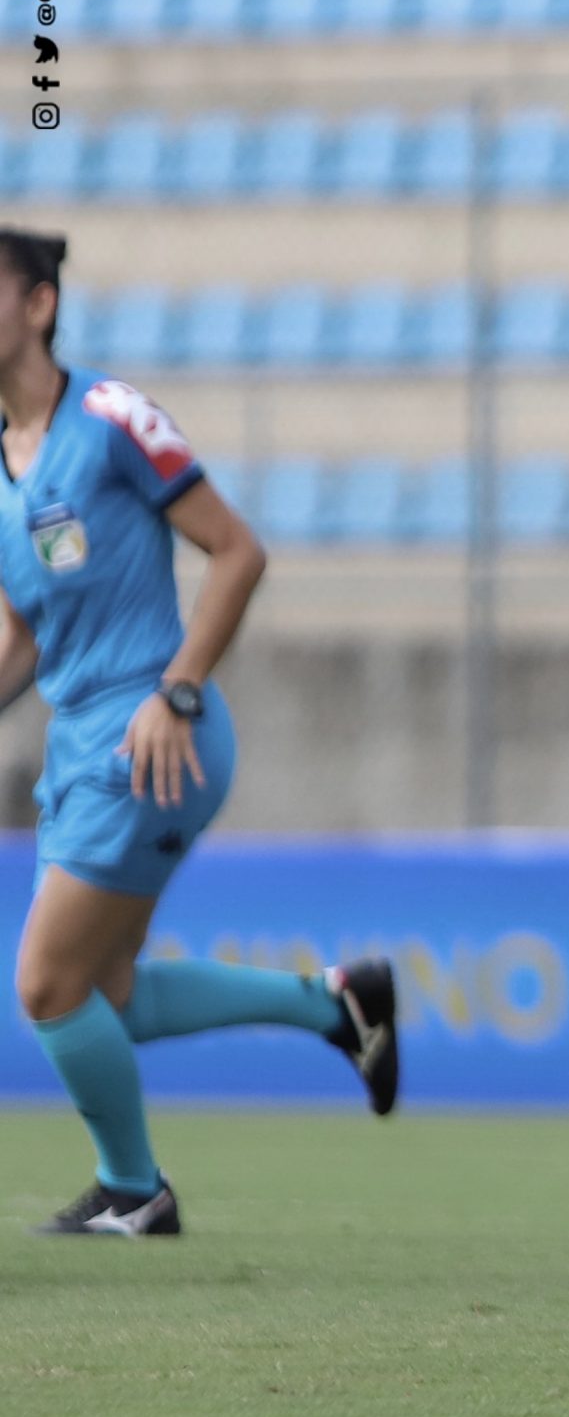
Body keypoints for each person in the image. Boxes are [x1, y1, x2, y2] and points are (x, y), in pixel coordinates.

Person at [2, 226, 398, 1237]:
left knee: (48, 983)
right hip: (81, 744)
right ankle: (335, 1001)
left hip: (154, 736)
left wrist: (176, 690)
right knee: (111, 993)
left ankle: (137, 1189)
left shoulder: (109, 417)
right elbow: (20, 631)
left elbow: (236, 550)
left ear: (39, 304)